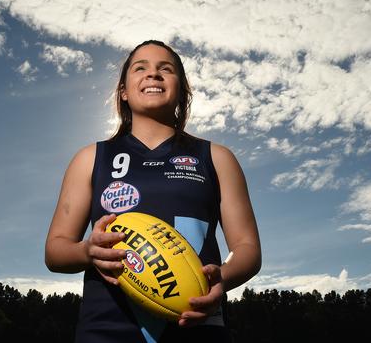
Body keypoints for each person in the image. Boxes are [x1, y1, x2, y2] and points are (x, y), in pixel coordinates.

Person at [45, 40, 261, 343]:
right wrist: (87, 251)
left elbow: (247, 247)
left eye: (166, 69)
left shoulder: (217, 157)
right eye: (140, 68)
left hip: (198, 326)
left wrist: (221, 279)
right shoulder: (90, 159)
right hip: (106, 331)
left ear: (182, 90)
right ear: (123, 90)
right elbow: (55, 250)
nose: (153, 75)